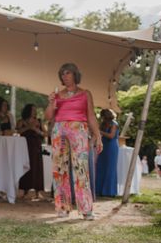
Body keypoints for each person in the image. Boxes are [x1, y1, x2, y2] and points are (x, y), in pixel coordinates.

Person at [45, 63, 102, 220]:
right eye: (62, 74)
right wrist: (51, 103)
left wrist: (98, 135)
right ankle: (62, 207)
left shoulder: (85, 93)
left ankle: (86, 209)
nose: (65, 76)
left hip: (79, 129)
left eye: (68, 73)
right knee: (59, 169)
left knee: (81, 167)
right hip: (59, 130)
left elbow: (91, 115)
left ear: (75, 75)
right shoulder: (57, 94)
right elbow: (48, 117)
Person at [16, 104, 44, 200]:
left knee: (37, 167)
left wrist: (35, 129)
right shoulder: (21, 121)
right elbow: (18, 131)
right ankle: (24, 190)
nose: (35, 112)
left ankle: (38, 191)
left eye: (35, 110)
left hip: (36, 146)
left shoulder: (39, 121)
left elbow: (44, 133)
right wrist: (29, 127)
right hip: (25, 146)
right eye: (33, 110)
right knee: (26, 166)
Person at [95, 109, 119, 197]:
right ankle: (100, 190)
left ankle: (109, 191)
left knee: (110, 168)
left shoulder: (114, 124)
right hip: (103, 146)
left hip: (111, 147)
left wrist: (99, 132)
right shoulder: (103, 124)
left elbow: (111, 136)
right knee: (101, 167)